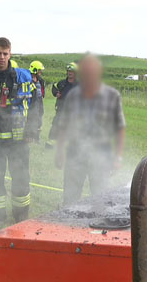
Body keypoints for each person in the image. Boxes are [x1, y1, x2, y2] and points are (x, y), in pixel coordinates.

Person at [0, 37, 41, 223]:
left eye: (5, 54)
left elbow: (36, 105)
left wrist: (32, 130)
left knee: (21, 177)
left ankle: (21, 215)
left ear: (10, 54)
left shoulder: (24, 77)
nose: (2, 57)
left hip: (19, 140)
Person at [55, 54, 125, 205]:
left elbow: (120, 128)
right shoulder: (73, 96)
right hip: (75, 154)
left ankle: (98, 225)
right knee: (70, 199)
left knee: (100, 200)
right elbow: (63, 125)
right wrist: (60, 151)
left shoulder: (112, 96)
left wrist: (117, 157)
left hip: (101, 155)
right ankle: (67, 226)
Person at [47, 62, 79, 148]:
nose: (69, 72)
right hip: (61, 109)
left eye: (72, 71)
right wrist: (56, 93)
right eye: (68, 71)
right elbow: (54, 88)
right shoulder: (62, 83)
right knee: (55, 125)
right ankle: (50, 144)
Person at [29, 61, 46, 139]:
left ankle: (36, 137)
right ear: (35, 70)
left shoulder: (40, 80)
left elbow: (42, 90)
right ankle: (31, 135)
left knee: (39, 117)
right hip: (31, 102)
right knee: (32, 118)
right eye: (39, 70)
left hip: (39, 101)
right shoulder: (28, 80)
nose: (41, 72)